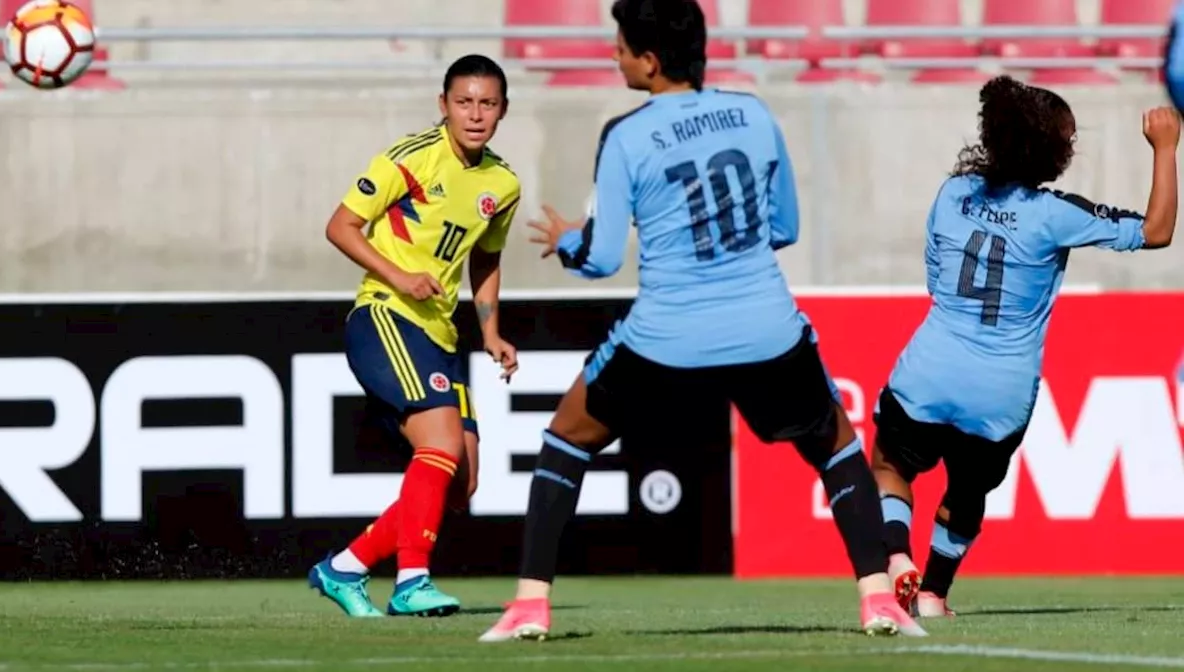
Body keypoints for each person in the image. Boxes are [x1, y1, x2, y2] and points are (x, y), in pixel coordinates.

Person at [478, 0, 926, 642]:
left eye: (621, 46)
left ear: (651, 62)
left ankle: (528, 606)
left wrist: (573, 242)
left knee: (565, 439)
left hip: (667, 336)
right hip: (765, 326)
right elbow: (786, 228)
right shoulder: (754, 113)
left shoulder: (627, 134)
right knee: (837, 448)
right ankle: (878, 598)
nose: (614, 55)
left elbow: (603, 259)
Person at [871, 75, 1179, 619]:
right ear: (1052, 153)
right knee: (966, 493)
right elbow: (1156, 231)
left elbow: (937, 279)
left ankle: (896, 554)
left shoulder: (952, 193)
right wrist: (1165, 147)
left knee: (891, 465)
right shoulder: (1056, 214)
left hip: (932, 365)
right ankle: (935, 595)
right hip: (1001, 389)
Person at [308, 54, 522, 618]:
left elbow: (486, 259)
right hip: (385, 315)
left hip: (440, 334)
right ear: (443, 105)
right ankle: (411, 580)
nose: (475, 114)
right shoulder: (413, 158)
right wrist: (399, 276)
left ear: (503, 111)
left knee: (462, 483)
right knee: (441, 445)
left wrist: (492, 332)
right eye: (464, 102)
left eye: (488, 103)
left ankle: (345, 568)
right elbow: (340, 225)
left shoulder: (502, 183)